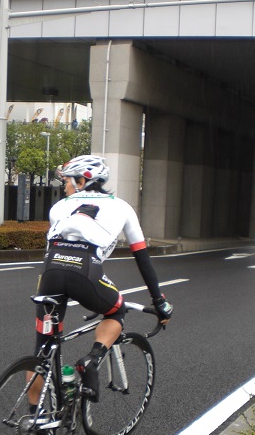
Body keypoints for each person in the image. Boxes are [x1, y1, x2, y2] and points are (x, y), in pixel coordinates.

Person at [28, 155, 172, 405]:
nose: (64, 186)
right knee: (116, 311)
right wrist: (159, 301)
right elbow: (141, 257)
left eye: (67, 180)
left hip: (50, 273)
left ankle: (35, 421)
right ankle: (91, 361)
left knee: (42, 353)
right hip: (85, 273)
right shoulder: (123, 207)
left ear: (82, 181)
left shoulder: (59, 207)